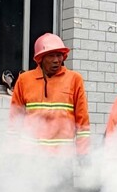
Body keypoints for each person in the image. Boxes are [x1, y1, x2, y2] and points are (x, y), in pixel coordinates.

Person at [8, 33, 90, 166]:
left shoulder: (75, 79)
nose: (57, 60)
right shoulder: (24, 80)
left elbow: (82, 121)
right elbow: (15, 119)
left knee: (63, 188)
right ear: (40, 58)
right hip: (30, 157)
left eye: (59, 55)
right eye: (51, 55)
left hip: (63, 157)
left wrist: (83, 152)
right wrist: (12, 151)